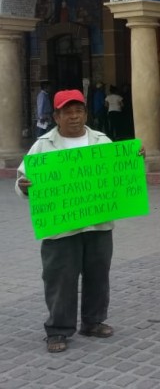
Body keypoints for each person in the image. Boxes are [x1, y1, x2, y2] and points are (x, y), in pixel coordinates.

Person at [15, 90, 143, 353]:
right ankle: (58, 330)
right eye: (67, 112)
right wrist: (24, 186)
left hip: (97, 225)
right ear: (56, 116)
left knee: (98, 274)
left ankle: (93, 321)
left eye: (78, 111)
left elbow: (120, 174)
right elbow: (22, 179)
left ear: (86, 113)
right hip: (61, 227)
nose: (74, 117)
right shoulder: (42, 145)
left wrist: (134, 158)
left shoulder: (101, 140)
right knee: (59, 278)